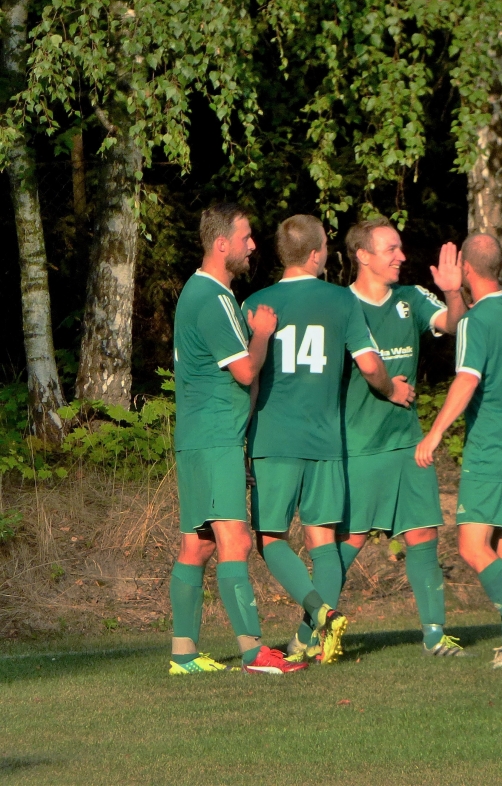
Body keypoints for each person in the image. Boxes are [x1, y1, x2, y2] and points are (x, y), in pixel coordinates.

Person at [244, 215, 414, 664]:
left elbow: (248, 377)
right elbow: (371, 366)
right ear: (318, 254)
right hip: (325, 441)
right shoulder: (341, 301)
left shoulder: (256, 302)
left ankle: (319, 613)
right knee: (323, 542)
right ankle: (311, 637)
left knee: (272, 539)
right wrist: (392, 390)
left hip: (273, 438)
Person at [298, 216, 469, 658]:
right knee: (348, 545)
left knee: (423, 537)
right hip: (357, 447)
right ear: (363, 256)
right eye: (391, 249)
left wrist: (453, 290)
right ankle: (308, 635)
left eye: (400, 248)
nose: (401, 256)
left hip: (408, 444)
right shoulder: (337, 305)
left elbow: (455, 324)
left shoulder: (410, 299)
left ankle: (434, 635)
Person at [169, 203, 306, 675]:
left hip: (200, 436)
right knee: (236, 539)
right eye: (246, 237)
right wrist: (263, 333)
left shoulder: (206, 293)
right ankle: (255, 652)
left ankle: (183, 656)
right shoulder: (211, 296)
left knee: (199, 545)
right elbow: (246, 369)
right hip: (212, 439)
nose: (253, 246)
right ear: (221, 243)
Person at [416, 233, 502, 668]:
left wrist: (435, 433)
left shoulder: (476, 321)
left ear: (468, 271)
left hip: (491, 445)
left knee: (473, 546)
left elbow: (467, 378)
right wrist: (454, 293)